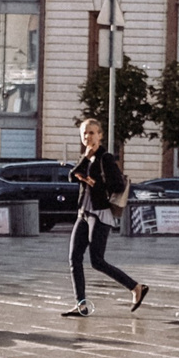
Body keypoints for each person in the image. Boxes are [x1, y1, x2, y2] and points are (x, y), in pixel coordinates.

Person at [60, 117, 147, 319]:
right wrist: (85, 158)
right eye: (84, 133)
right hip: (84, 213)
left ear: (100, 135)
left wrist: (94, 183)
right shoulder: (86, 157)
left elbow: (117, 185)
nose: (87, 137)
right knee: (74, 258)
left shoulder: (105, 158)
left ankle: (135, 287)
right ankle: (81, 305)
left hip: (100, 214)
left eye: (91, 132)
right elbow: (71, 175)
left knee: (97, 260)